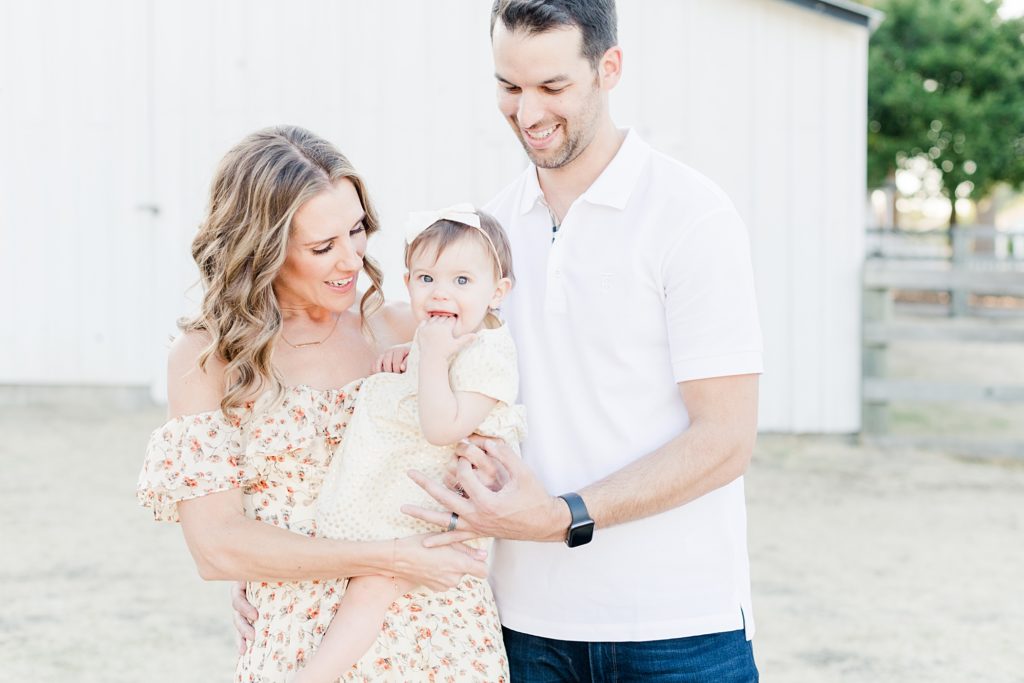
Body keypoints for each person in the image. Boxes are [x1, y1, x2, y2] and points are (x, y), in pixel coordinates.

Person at [402, 1, 764, 680]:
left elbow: (726, 439)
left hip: (679, 628)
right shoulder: (486, 233)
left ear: (609, 68)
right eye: (509, 87)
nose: (527, 112)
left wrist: (562, 516)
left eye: (552, 87)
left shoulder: (692, 216)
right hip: (522, 626)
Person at [137, 125, 491, 683]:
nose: (351, 259)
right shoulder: (210, 358)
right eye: (323, 247)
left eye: (357, 231)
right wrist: (390, 557)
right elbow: (218, 548)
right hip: (303, 647)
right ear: (264, 250)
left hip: (439, 633)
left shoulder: (404, 330)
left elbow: (482, 444)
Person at [293, 206, 522, 683]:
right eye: (426, 278)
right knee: (363, 578)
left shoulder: (491, 355)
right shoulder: (441, 336)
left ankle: (313, 676)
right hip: (413, 493)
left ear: (497, 291)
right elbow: (428, 372)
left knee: (374, 585)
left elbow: (444, 427)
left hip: (449, 509)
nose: (441, 292)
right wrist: (416, 353)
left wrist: (431, 359)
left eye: (463, 281)